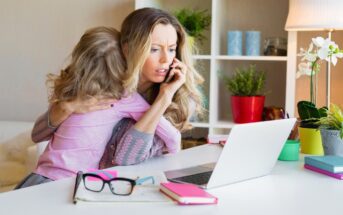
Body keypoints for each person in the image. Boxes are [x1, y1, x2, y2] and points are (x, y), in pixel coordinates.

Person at [24, 7, 204, 187]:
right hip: (61, 182)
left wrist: (165, 97)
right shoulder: (100, 87)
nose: (166, 59)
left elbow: (127, 158)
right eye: (154, 49)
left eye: (172, 49)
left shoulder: (175, 98)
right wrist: (67, 107)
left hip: (115, 189)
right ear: (127, 49)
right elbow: (36, 135)